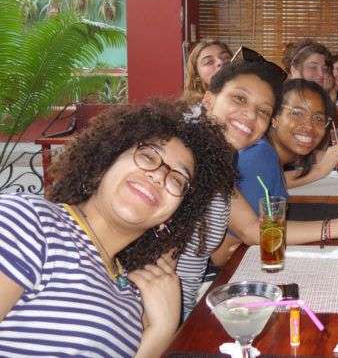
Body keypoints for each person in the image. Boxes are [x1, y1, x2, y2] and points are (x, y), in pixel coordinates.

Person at [0, 101, 236, 356]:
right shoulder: (28, 222)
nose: (159, 175)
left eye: (177, 179)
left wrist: (162, 329)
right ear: (106, 160)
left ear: (171, 216)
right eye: (148, 156)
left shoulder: (134, 290)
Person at [178, 63, 338, 318]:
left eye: (262, 111)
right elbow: (224, 254)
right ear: (209, 99)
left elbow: (252, 228)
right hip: (194, 298)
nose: (249, 116)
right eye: (239, 98)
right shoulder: (182, 154)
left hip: (182, 306)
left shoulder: (215, 165)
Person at [183, 40, 232, 104]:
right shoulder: (192, 111)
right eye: (209, 62)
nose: (220, 62)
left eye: (225, 57)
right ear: (197, 75)